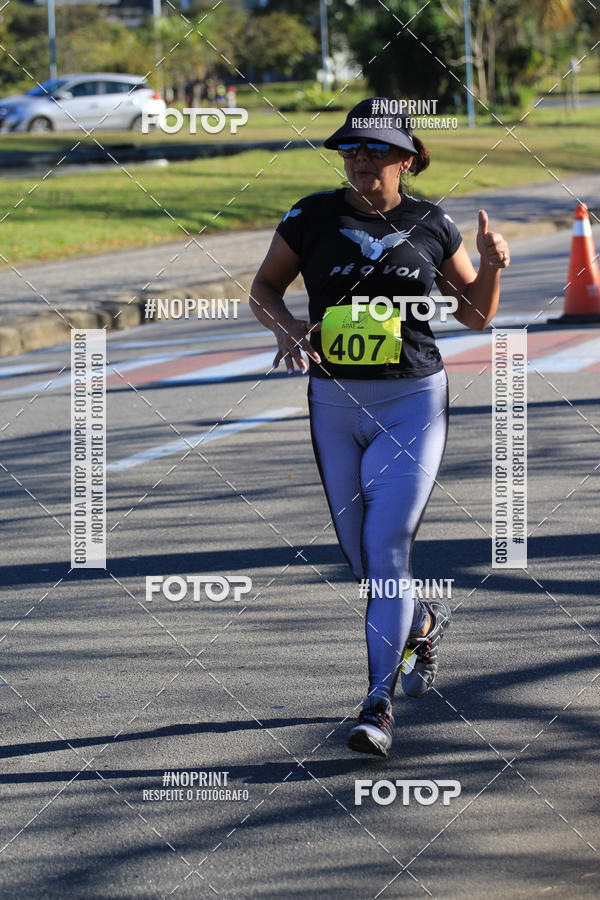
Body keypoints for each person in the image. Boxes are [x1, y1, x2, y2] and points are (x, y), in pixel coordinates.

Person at [249, 98, 510, 757]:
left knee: (387, 547)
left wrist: (493, 265)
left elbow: (475, 317)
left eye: (372, 149)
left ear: (405, 159)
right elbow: (264, 289)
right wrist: (288, 333)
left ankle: (376, 703)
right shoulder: (312, 216)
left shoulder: (431, 223)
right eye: (349, 149)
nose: (358, 159)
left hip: (411, 400)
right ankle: (422, 621)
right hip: (334, 404)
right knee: (365, 561)